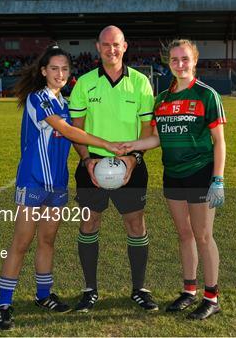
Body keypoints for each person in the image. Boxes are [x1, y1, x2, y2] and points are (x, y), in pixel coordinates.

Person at [0, 45, 123, 330]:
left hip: (57, 183)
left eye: (65, 69)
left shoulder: (65, 104)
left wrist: (91, 157)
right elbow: (67, 130)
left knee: (48, 241)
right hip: (33, 179)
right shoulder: (36, 98)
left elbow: (74, 134)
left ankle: (43, 295)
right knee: (22, 241)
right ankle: (4, 303)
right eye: (54, 68)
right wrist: (105, 144)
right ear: (43, 71)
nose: (60, 74)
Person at [122, 39, 226, 320]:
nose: (180, 64)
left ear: (195, 61)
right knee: (184, 235)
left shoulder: (207, 95)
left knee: (203, 236)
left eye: (185, 59)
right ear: (168, 63)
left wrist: (218, 178)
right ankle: (189, 291)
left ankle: (211, 296)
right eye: (175, 60)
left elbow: (219, 142)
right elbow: (158, 138)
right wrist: (131, 145)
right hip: (173, 175)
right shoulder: (162, 99)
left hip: (200, 173)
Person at [68, 25, 158, 312]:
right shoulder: (83, 83)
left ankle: (139, 288)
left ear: (125, 46)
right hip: (92, 165)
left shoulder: (142, 82)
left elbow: (147, 129)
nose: (111, 49)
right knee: (89, 223)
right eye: (106, 45)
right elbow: (76, 130)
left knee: (135, 224)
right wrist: (87, 160)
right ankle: (89, 289)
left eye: (116, 44)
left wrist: (132, 160)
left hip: (131, 164)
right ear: (97, 47)